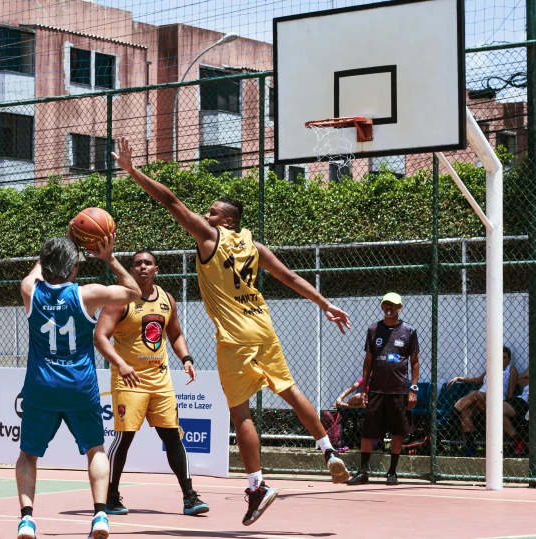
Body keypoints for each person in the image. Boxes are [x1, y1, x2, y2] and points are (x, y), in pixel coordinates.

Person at [111, 137, 352, 527]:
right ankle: (328, 450)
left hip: (236, 336)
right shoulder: (253, 246)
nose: (204, 216)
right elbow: (289, 276)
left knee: (240, 412)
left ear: (225, 220)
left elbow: (171, 201)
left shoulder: (210, 238)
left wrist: (133, 170)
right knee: (290, 390)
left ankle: (257, 485)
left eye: (211, 212)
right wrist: (324, 303)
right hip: (263, 325)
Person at [16, 234, 141, 539]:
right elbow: (134, 292)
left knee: (28, 456)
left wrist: (64, 240)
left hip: (41, 385)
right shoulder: (87, 294)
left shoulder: (30, 291)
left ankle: (27, 520)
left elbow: (35, 272)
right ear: (73, 268)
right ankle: (100, 515)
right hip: (80, 386)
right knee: (95, 450)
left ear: (45, 265)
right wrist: (109, 257)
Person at [94, 249, 209, 516]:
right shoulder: (120, 300)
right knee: (124, 438)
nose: (142, 267)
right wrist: (121, 364)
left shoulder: (167, 299)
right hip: (129, 381)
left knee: (173, 436)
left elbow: (176, 333)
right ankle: (111, 496)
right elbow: (100, 336)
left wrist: (187, 358)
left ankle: (189, 497)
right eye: (137, 264)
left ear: (156, 269)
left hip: (161, 380)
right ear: (131, 270)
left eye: (148, 263)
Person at [345, 293, 420, 486]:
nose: (389, 308)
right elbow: (368, 360)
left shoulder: (409, 331)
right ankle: (363, 472)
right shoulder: (373, 330)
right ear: (382, 307)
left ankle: (392, 472)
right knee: (368, 432)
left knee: (397, 432)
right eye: (386, 304)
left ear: (400, 308)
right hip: (376, 390)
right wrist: (363, 390)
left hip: (399, 391)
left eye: (393, 305)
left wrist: (413, 389)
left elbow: (415, 362)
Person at [447, 346, 518, 457]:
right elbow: (476, 380)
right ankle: (471, 447)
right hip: (480, 401)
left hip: (496, 401)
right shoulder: (491, 369)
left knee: (474, 394)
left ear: (509, 360)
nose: (501, 360)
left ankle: (450, 418)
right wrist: (459, 378)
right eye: (499, 357)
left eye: (504, 357)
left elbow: (510, 393)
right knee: (466, 411)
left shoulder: (510, 370)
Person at [504, 369, 529, 452]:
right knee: (495, 410)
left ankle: (517, 440)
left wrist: (528, 375)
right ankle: (517, 439)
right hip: (520, 400)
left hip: (528, 403)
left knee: (497, 410)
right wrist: (526, 375)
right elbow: (520, 381)